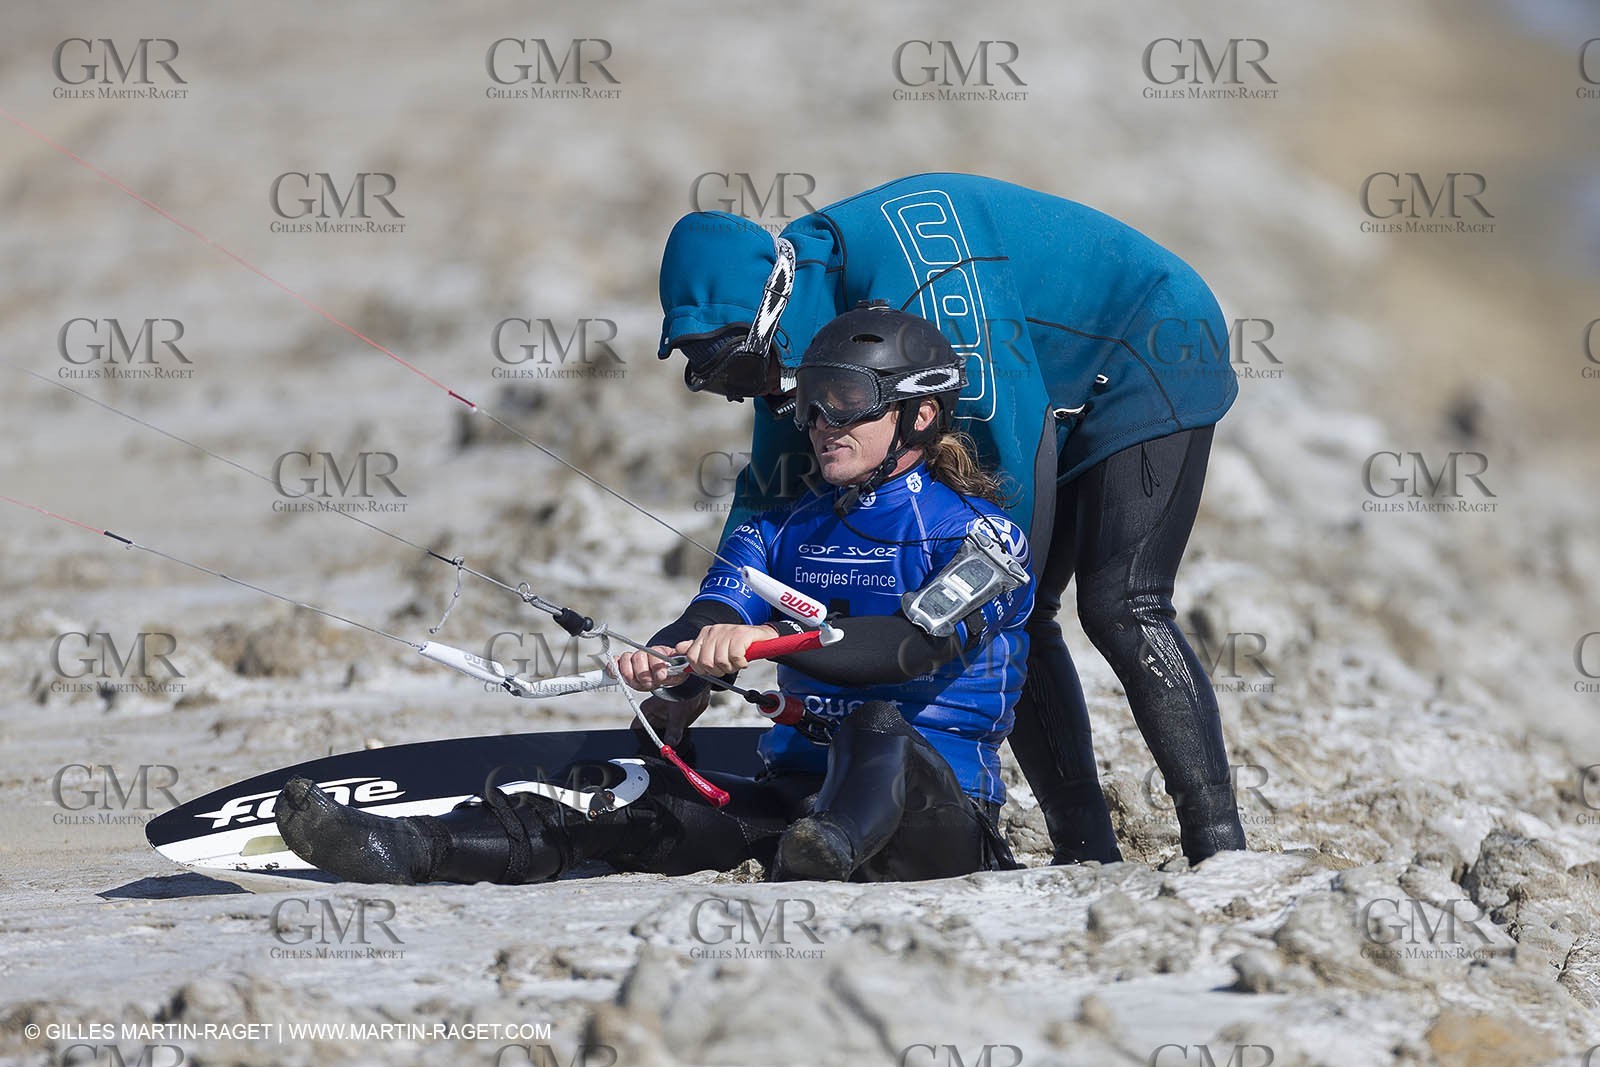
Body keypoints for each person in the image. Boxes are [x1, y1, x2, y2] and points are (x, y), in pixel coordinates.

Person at [274, 305, 1035, 885]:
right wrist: (681, 666)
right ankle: (410, 848)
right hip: (795, 803)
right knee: (617, 795)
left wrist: (759, 645)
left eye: (847, 402)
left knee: (878, 726)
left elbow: (904, 647)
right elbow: (713, 610)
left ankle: (824, 849)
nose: (820, 423)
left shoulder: (989, 540)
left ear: (920, 413)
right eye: (810, 402)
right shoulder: (779, 528)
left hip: (935, 825)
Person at [658, 172, 1246, 865]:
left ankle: (1219, 846)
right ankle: (1089, 852)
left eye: (737, 372)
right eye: (713, 380)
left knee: (1116, 603)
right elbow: (764, 505)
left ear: (771, 312)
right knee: (1016, 607)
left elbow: (1006, 510)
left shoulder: (922, 289)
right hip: (1045, 353)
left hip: (1151, 338)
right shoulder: (792, 333)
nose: (742, 396)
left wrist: (948, 608)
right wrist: (693, 666)